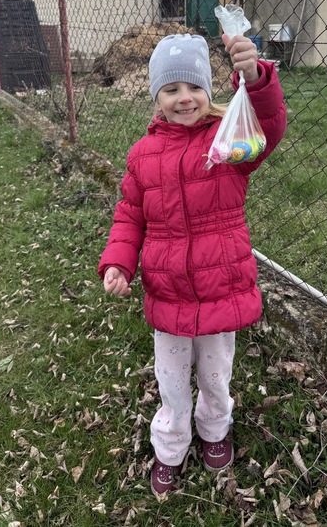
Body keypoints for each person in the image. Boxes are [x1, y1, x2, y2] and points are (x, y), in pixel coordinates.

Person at [98, 32, 287, 495]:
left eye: (194, 87)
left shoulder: (229, 141)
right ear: (156, 97)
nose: (184, 98)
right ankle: (170, 445)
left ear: (208, 89)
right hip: (170, 293)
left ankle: (215, 428)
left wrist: (254, 77)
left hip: (220, 287)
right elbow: (130, 215)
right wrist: (119, 263)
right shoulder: (142, 156)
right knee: (171, 381)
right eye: (171, 89)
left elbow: (269, 126)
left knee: (216, 376)